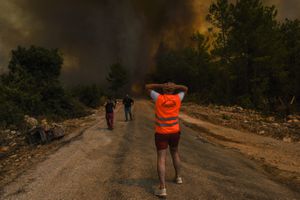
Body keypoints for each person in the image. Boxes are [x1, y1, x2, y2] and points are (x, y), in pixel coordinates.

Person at [145, 82, 188, 198]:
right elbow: (185, 89)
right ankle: (178, 177)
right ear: (173, 90)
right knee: (175, 153)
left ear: (164, 90)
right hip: (174, 132)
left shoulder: (158, 97)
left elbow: (147, 87)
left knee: (161, 158)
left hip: (161, 133)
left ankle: (162, 188)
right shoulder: (178, 97)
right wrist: (175, 86)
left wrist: (161, 85)